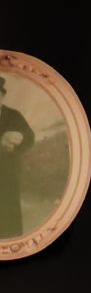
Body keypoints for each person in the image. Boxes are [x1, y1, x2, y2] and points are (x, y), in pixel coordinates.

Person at [0, 75, 37, 240]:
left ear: (2, 95)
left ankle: (12, 243)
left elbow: (30, 137)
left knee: (9, 207)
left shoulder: (14, 115)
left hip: (9, 171)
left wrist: (20, 139)